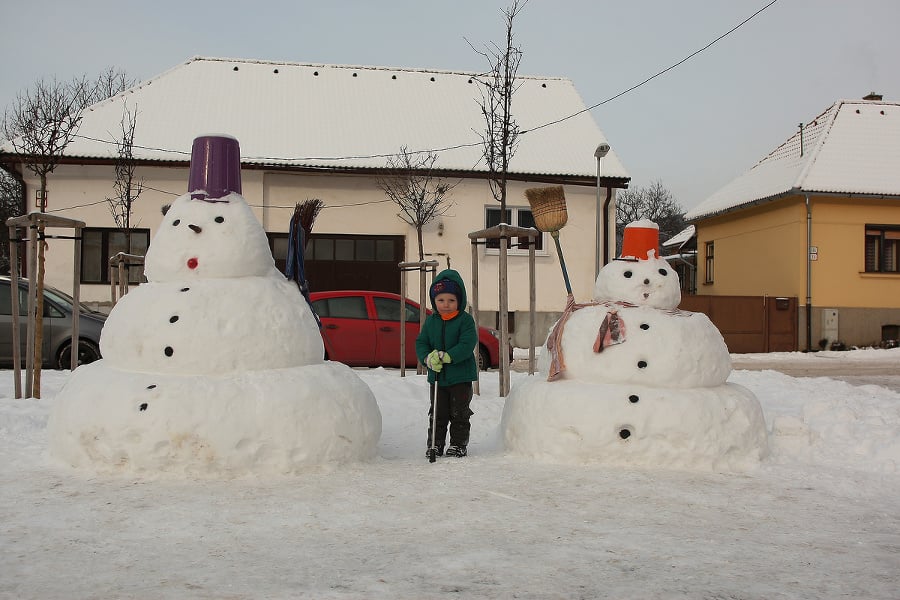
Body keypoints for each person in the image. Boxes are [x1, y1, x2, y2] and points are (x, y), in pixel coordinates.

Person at [415, 269, 478, 458]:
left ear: (459, 300)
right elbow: (422, 342)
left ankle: (458, 444)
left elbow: (467, 343)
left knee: (459, 412)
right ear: (434, 301)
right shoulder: (431, 321)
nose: (446, 305)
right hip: (438, 377)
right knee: (437, 413)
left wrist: (448, 356)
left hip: (460, 376)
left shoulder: (465, 321)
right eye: (441, 300)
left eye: (451, 300)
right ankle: (435, 444)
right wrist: (427, 358)